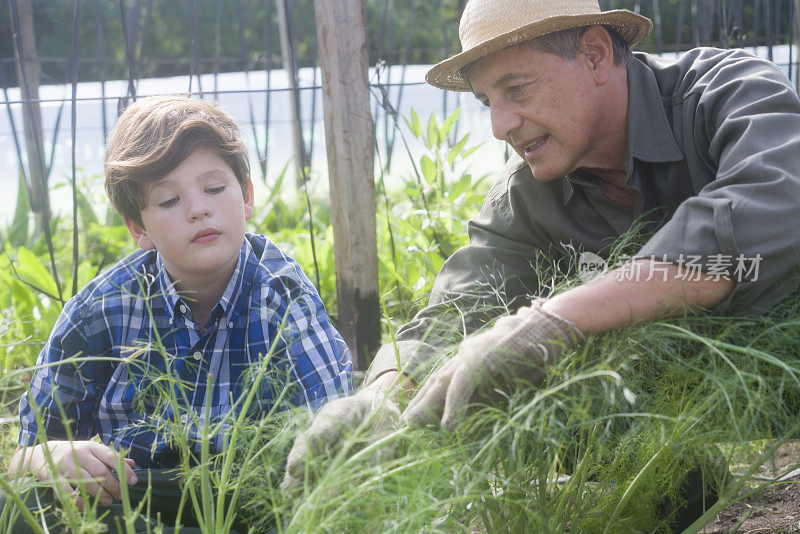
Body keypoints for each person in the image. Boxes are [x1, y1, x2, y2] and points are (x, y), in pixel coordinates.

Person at [282, 0, 800, 529]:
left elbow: (764, 213)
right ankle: (687, 490)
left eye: (516, 89)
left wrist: (556, 320)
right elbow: (458, 306)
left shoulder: (724, 92)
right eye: (486, 100)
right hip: (681, 413)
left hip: (786, 370)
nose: (499, 125)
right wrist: (380, 395)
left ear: (596, 55)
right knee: (548, 383)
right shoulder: (527, 194)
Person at [4, 95, 353, 532]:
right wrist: (47, 455)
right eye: (169, 201)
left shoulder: (280, 298)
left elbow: (335, 448)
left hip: (256, 504)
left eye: (213, 189)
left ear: (246, 196)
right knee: (23, 503)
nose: (198, 209)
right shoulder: (100, 311)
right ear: (138, 229)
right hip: (142, 501)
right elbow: (27, 453)